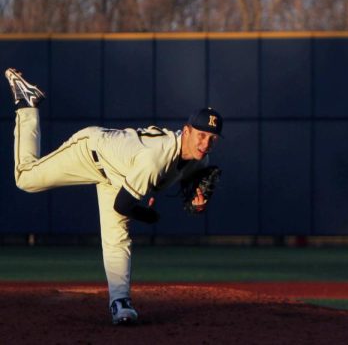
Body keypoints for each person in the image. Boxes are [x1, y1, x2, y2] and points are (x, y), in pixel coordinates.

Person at [5, 68, 223, 326]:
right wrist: (147, 214)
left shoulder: (201, 159)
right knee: (26, 178)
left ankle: (121, 302)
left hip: (119, 172)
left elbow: (193, 185)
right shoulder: (155, 158)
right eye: (200, 135)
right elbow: (124, 204)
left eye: (212, 138)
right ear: (186, 131)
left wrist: (199, 204)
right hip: (91, 150)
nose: (205, 143)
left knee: (117, 238)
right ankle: (27, 104)